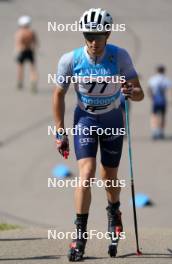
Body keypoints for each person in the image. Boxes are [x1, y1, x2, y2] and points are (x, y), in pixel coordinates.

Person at [52, 8, 144, 261]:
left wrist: (131, 90)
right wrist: (60, 130)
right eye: (88, 35)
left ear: (108, 33)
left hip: (113, 117)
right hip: (85, 119)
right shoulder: (70, 59)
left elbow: (139, 93)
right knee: (86, 173)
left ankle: (114, 211)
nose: (93, 42)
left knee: (109, 176)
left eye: (99, 36)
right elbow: (58, 93)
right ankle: (79, 236)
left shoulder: (119, 56)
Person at [15, 15, 38, 92]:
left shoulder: (20, 32)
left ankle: (20, 82)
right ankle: (33, 81)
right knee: (32, 68)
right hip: (30, 51)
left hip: (22, 51)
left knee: (20, 67)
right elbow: (35, 43)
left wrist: (17, 50)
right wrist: (33, 49)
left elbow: (18, 43)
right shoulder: (32, 32)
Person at [148, 65, 172, 139]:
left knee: (154, 115)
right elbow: (170, 89)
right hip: (163, 100)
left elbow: (149, 89)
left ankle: (154, 131)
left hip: (155, 100)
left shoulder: (152, 79)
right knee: (163, 116)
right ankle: (161, 131)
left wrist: (151, 97)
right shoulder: (166, 79)